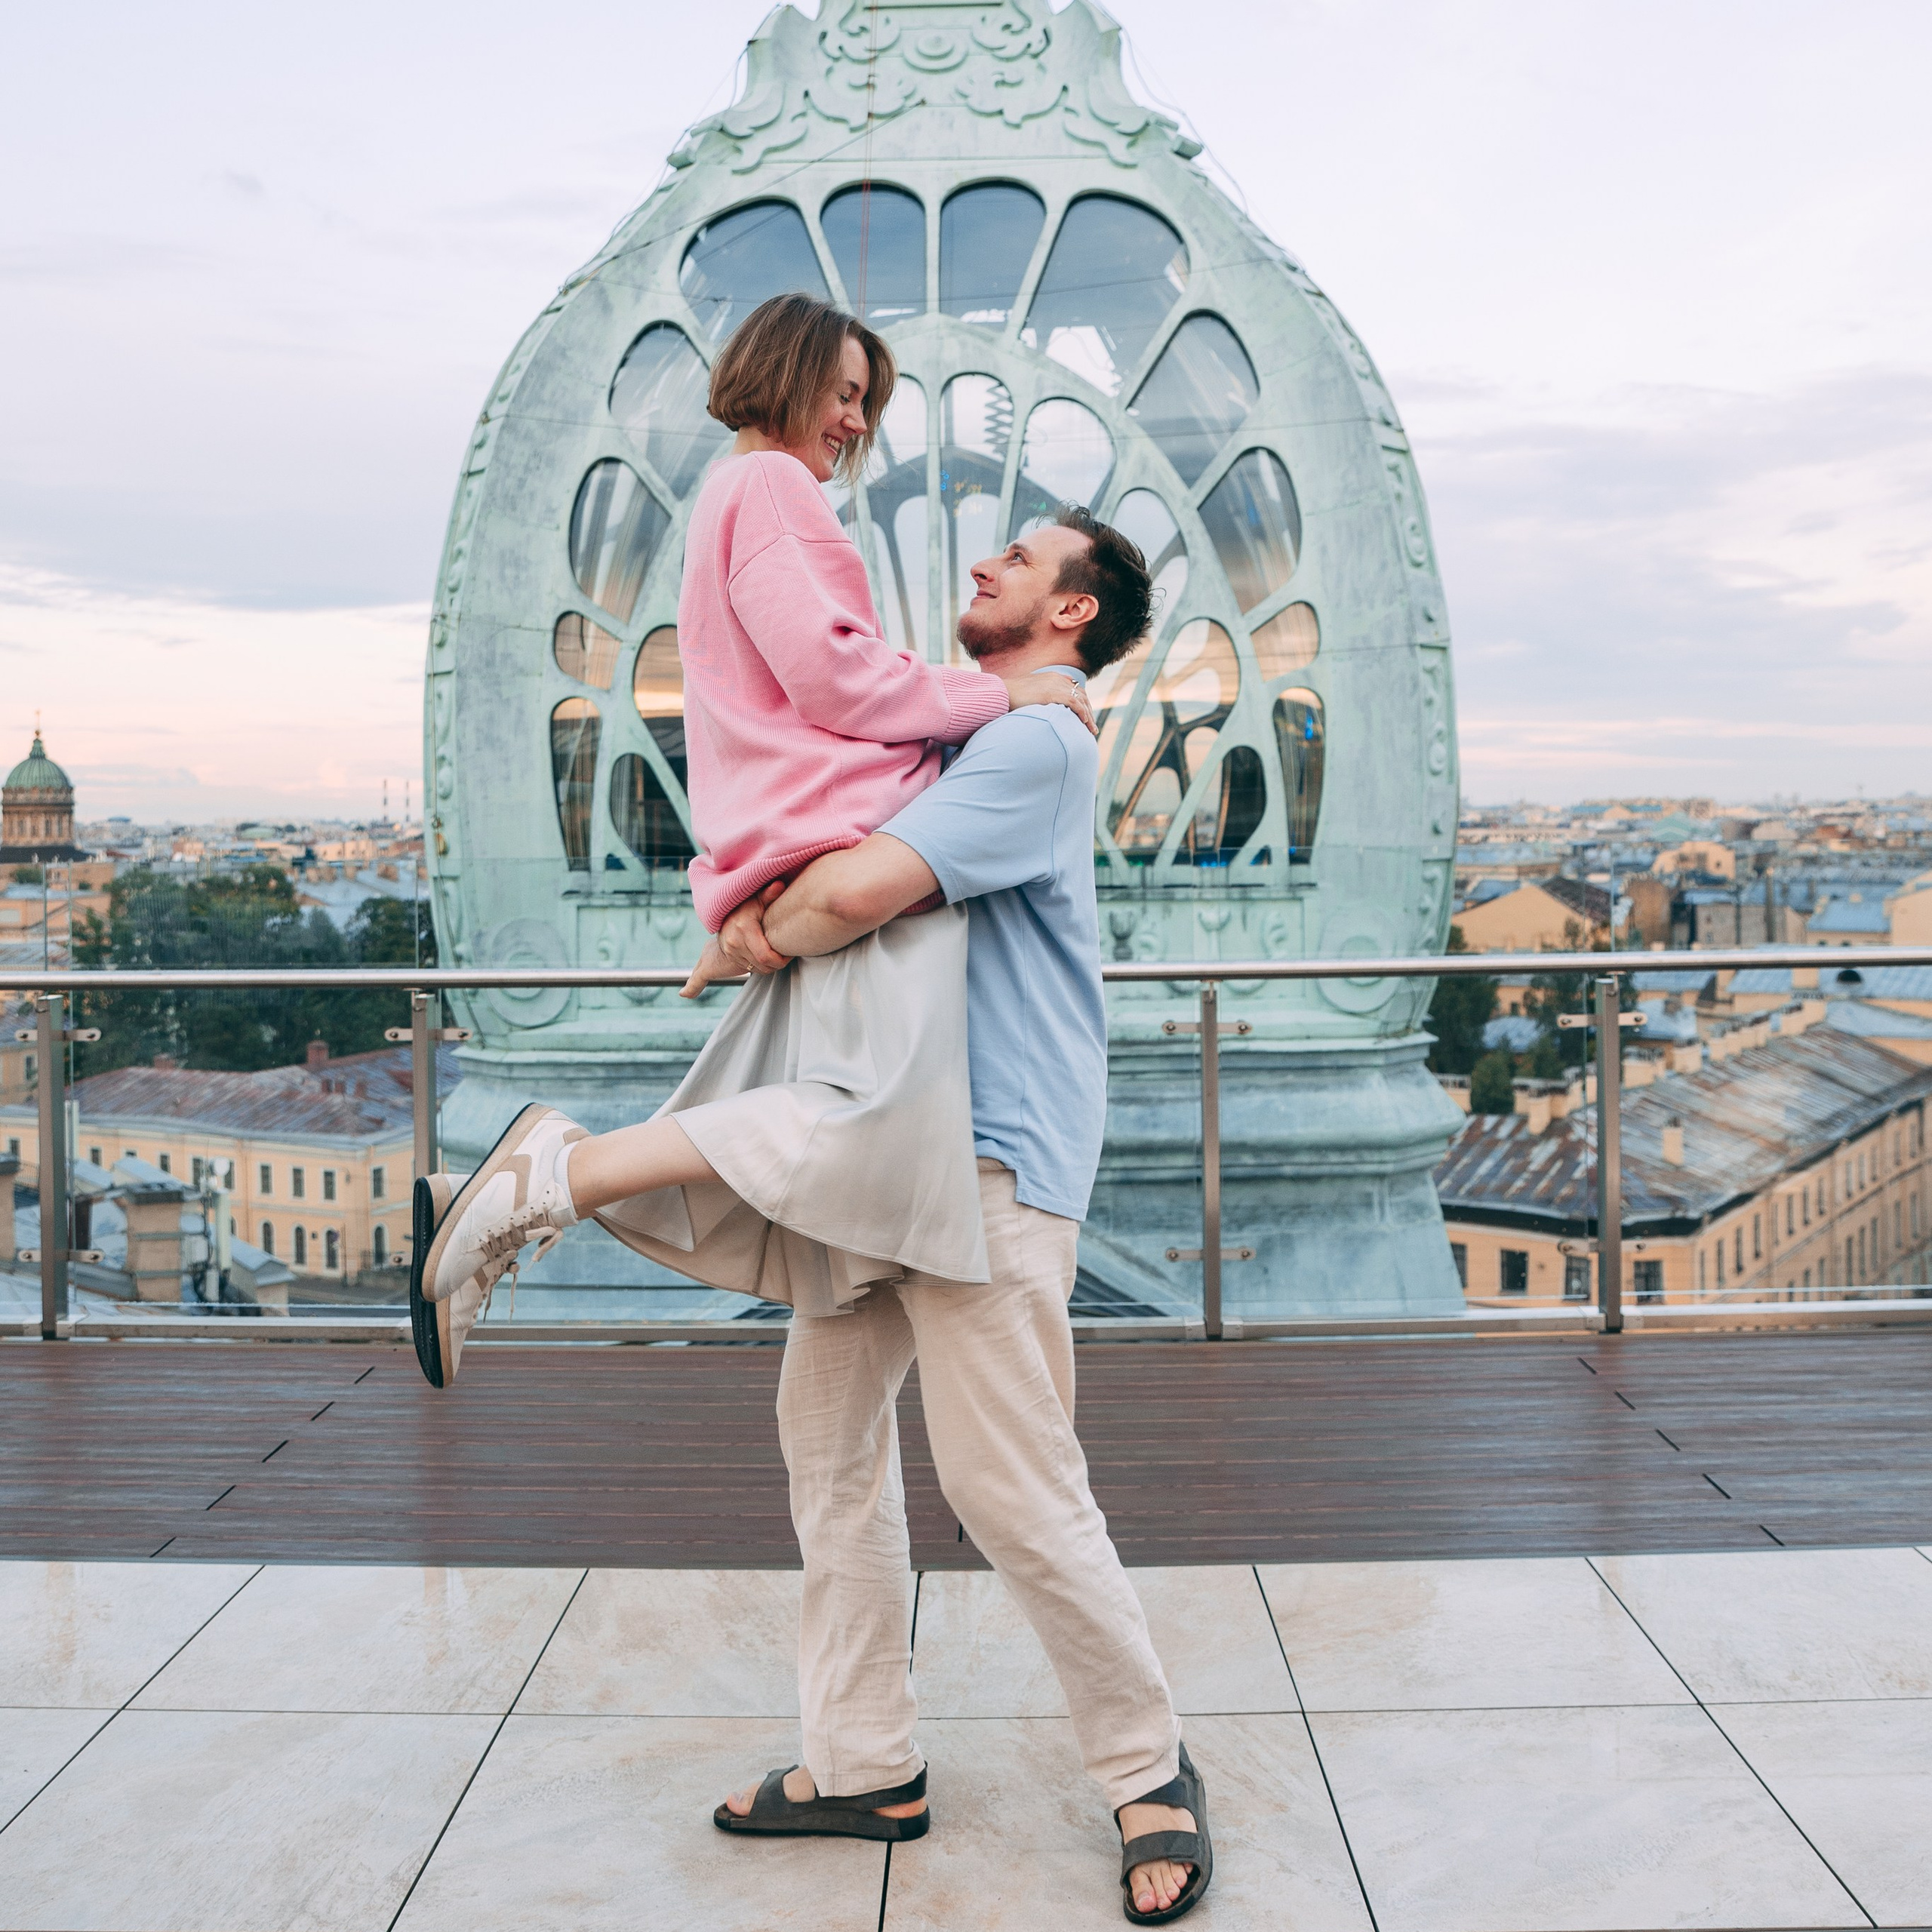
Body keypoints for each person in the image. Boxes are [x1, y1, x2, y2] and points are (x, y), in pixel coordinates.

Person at [408, 293, 1089, 1385]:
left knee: (819, 1136)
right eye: (848, 395)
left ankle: (503, 1219)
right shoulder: (772, 486)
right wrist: (1002, 701)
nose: (858, 426)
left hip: (786, 834)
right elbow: (834, 674)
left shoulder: (730, 494)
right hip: (840, 827)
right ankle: (547, 1181)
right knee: (859, 1124)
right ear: (794, 372)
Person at [706, 508, 1214, 1924]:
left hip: (983, 1155)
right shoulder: (971, 739)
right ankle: (863, 1764)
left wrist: (755, 923)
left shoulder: (1040, 744)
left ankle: (1149, 1772)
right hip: (889, 1139)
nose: (982, 564)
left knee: (1013, 1490)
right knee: (832, 1454)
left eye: (1019, 559)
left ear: (1071, 615)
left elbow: (860, 889)